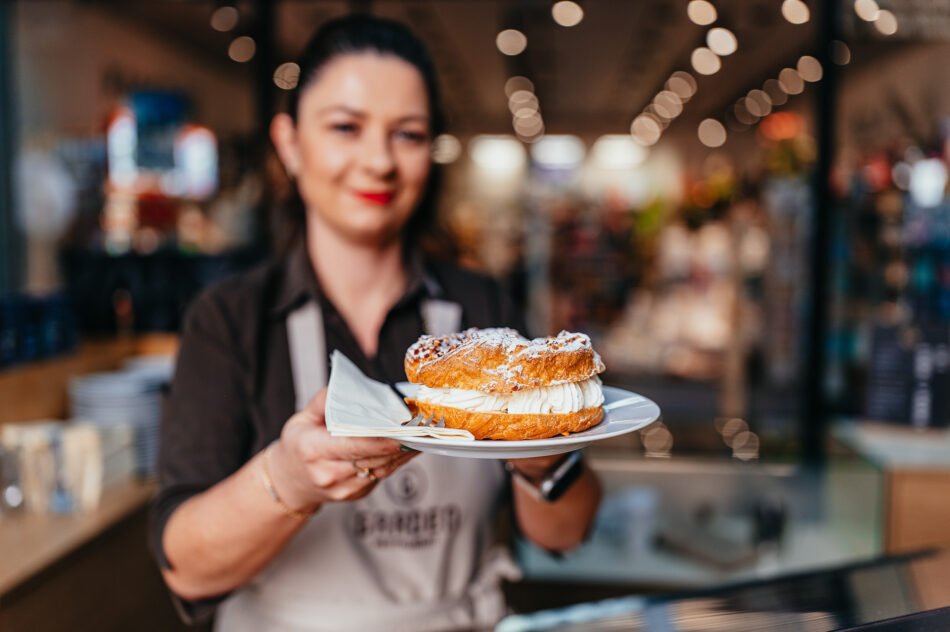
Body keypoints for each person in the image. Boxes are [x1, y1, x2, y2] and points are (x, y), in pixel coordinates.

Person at [150, 14, 601, 632]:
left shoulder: (482, 310)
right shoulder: (230, 320)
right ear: (289, 143)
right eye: (345, 127)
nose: (378, 161)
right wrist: (287, 476)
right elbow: (187, 570)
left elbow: (565, 533)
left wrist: (540, 455)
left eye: (408, 135)